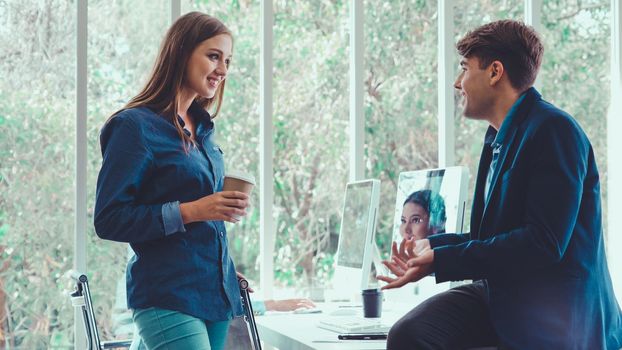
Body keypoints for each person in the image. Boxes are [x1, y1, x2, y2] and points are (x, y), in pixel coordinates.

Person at [378, 20, 622, 349]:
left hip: (558, 315)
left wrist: (443, 261)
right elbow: (488, 238)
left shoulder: (554, 131)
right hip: (506, 295)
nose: (457, 82)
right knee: (411, 333)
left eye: (465, 69)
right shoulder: (496, 138)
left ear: (495, 72)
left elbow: (543, 243)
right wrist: (432, 249)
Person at [94, 12, 250, 350]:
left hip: (215, 294)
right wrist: (193, 210)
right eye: (213, 56)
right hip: (167, 293)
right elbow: (109, 219)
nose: (222, 69)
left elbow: (205, 225)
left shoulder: (204, 130)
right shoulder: (134, 127)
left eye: (227, 60)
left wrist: (221, 267)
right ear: (180, 52)